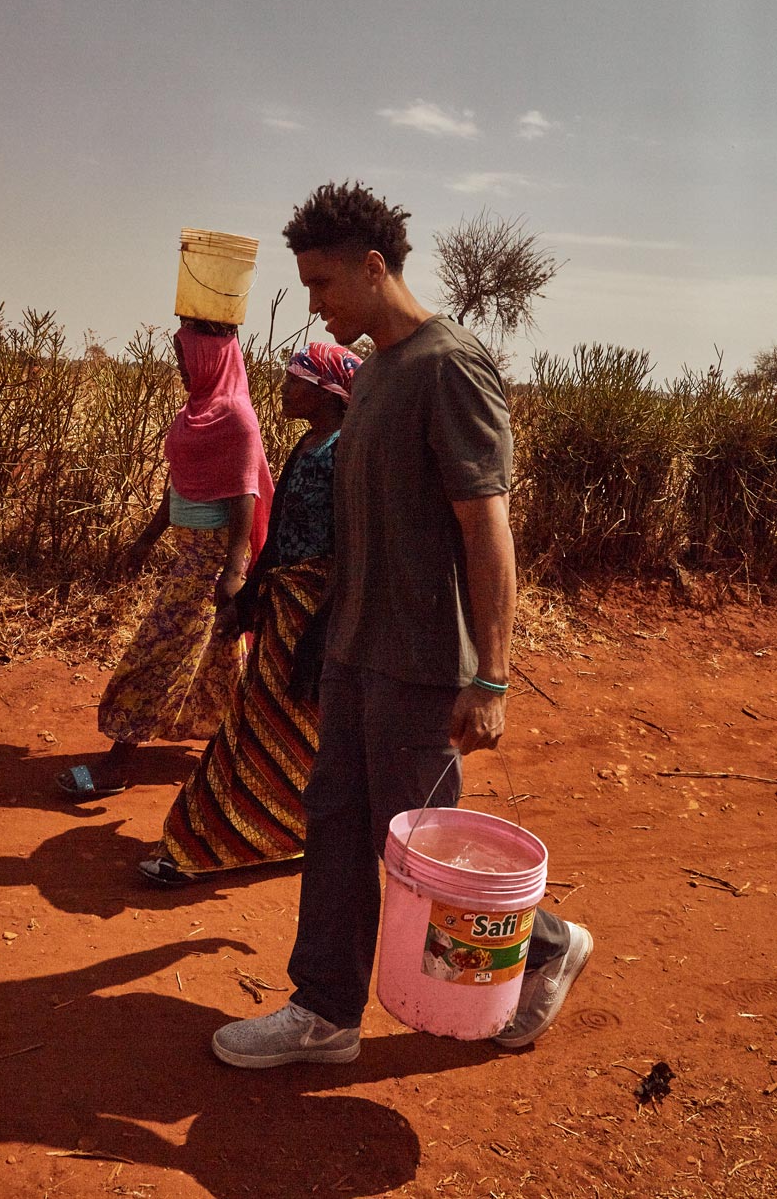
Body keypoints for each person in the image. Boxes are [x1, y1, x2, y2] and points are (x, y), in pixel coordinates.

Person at [212, 182, 592, 1067]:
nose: (313, 302)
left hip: (422, 662)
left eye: (322, 283)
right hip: (354, 649)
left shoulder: (447, 366)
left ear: (374, 267)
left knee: (418, 845)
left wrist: (490, 678)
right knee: (336, 821)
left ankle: (544, 944)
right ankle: (326, 1013)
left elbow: (486, 527)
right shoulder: (377, 369)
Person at [138, 341, 362, 885]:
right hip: (286, 605)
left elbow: (352, 547)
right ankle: (243, 834)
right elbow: (280, 524)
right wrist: (250, 596)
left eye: (296, 381)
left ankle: (235, 840)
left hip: (316, 611)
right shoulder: (309, 446)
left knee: (274, 724)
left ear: (328, 393)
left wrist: (321, 625)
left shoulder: (343, 454)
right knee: (263, 720)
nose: (285, 390)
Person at [57, 318, 274, 799]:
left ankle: (118, 764)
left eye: (186, 357)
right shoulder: (195, 412)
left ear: (211, 361)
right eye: (179, 355)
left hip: (211, 563)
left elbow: (246, 496)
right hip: (189, 556)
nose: (179, 366)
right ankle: (240, 758)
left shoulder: (236, 417)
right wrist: (146, 539)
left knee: (155, 651)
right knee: (220, 660)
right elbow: (177, 482)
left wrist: (233, 572)